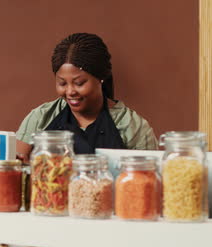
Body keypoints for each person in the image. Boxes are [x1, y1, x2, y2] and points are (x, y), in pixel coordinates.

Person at [16, 33, 158, 160]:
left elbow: (146, 180)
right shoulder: (41, 117)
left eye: (79, 83)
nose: (70, 91)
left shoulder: (132, 126)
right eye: (62, 83)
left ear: (101, 78)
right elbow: (17, 167)